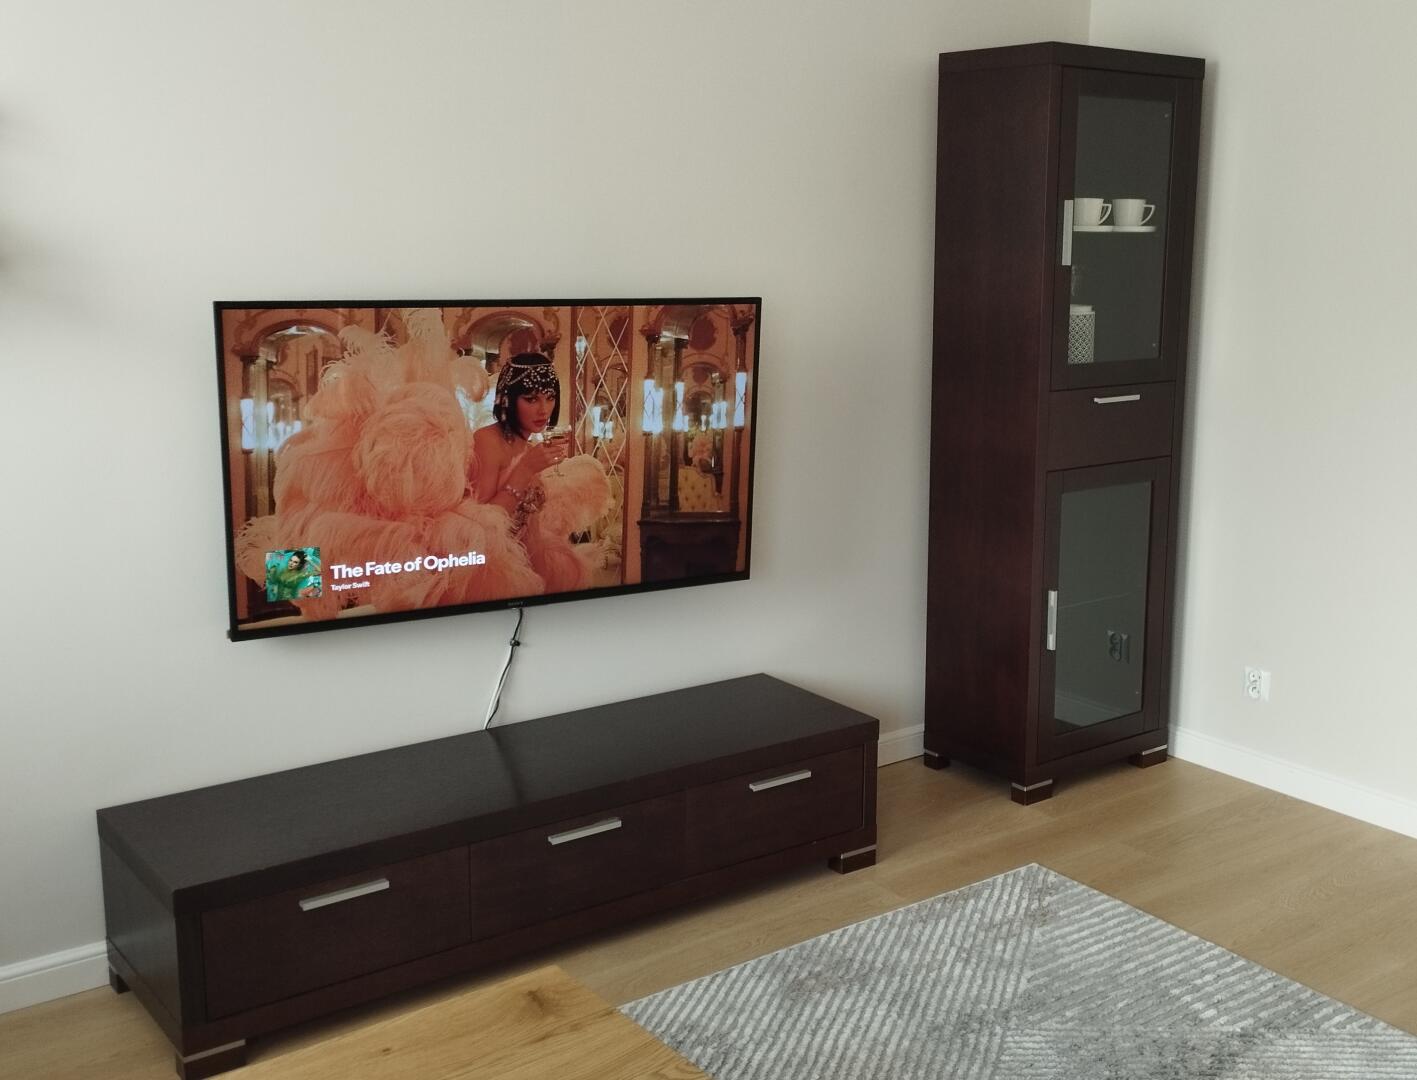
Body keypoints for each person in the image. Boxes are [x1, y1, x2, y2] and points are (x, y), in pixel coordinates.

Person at [472, 353, 570, 528]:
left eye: (550, 397)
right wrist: (526, 469)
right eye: (531, 399)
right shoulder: (487, 441)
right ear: (508, 400)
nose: (543, 410)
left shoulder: (529, 447)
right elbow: (481, 524)